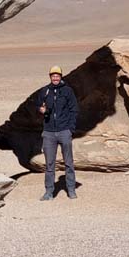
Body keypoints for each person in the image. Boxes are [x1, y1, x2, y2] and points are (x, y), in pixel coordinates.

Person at [37, 65, 78, 200]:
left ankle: (71, 189)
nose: (55, 78)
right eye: (53, 76)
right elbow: (38, 105)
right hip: (49, 132)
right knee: (49, 164)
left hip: (64, 131)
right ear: (50, 77)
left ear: (61, 77)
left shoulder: (67, 91)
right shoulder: (45, 91)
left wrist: (70, 129)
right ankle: (49, 192)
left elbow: (74, 109)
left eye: (57, 76)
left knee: (68, 162)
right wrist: (41, 110)